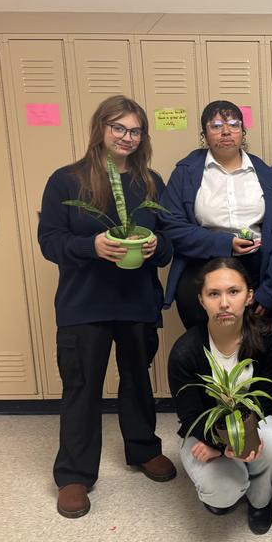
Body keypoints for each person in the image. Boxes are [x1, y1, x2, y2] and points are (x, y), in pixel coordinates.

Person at [38, 95, 176, 519]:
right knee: (82, 386)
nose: (127, 137)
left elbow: (170, 244)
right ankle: (75, 474)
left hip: (136, 302)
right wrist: (91, 246)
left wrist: (156, 247)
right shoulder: (67, 180)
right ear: (101, 129)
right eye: (118, 128)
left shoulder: (150, 181)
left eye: (135, 130)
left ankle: (142, 449)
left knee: (137, 378)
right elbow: (49, 241)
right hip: (84, 304)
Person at [167, 257, 272, 534]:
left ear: (249, 296)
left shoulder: (266, 336)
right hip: (204, 432)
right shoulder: (185, 351)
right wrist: (222, 446)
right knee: (222, 494)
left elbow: (265, 395)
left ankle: (260, 497)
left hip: (252, 421)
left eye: (233, 292)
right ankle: (234, 480)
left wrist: (244, 438)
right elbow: (189, 417)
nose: (224, 303)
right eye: (214, 294)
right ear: (201, 300)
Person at [161, 100, 272, 327]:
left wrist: (270, 290)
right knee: (204, 351)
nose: (226, 131)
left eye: (234, 124)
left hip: (255, 272)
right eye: (216, 126)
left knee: (255, 350)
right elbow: (171, 226)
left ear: (243, 132)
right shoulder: (186, 172)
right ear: (204, 134)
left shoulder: (264, 174)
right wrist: (225, 243)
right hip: (201, 268)